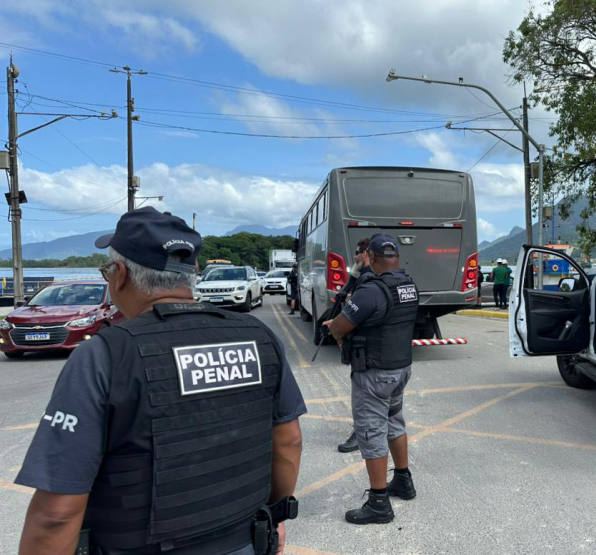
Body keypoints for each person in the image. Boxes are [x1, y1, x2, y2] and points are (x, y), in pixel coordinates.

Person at [16, 207, 307, 555]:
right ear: (193, 273)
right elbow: (288, 443)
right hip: (245, 541)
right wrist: (270, 517)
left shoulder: (104, 355)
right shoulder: (260, 338)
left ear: (119, 275)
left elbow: (56, 514)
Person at [323, 233, 418, 525]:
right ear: (396, 257)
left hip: (374, 372)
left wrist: (333, 328)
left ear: (372, 258)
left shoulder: (371, 290)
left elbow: (341, 326)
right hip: (400, 368)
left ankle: (379, 502)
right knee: (395, 422)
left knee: (370, 431)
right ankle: (402, 480)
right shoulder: (408, 285)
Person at [336, 237, 373, 454]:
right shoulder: (367, 278)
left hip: (365, 348)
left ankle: (361, 434)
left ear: (366, 253)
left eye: (358, 253)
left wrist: (337, 330)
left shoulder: (368, 281)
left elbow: (354, 313)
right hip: (384, 351)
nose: (355, 257)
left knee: (362, 396)